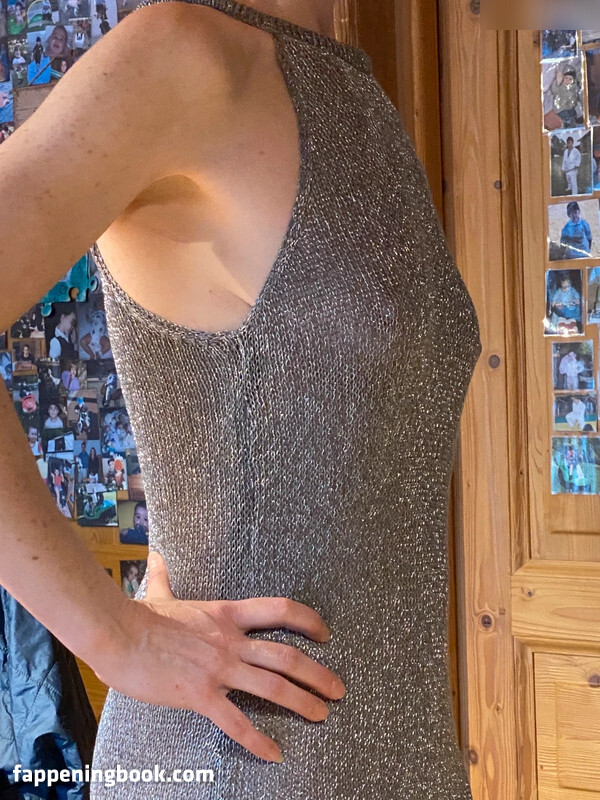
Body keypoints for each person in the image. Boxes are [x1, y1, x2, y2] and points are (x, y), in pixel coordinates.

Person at [0, 1, 481, 798]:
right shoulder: (180, 56)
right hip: (237, 764)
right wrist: (118, 638)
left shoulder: (347, 85)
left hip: (400, 763)